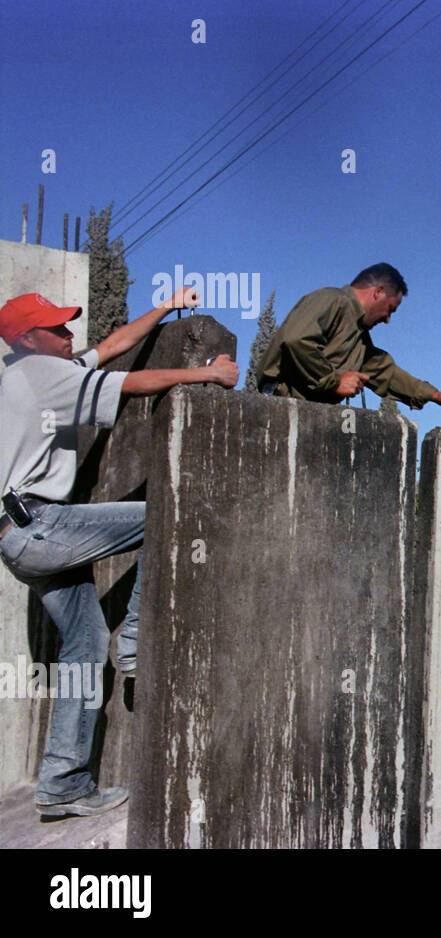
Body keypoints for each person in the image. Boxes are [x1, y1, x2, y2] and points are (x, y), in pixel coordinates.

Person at [0, 287, 239, 818]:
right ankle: (134, 637)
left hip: (21, 538)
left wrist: (166, 307)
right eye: (56, 329)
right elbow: (130, 382)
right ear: (25, 338)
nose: (68, 335)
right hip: (40, 525)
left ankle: (62, 784)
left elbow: (111, 349)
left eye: (66, 326)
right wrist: (208, 375)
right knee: (168, 515)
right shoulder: (41, 374)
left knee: (84, 648)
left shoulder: (29, 371)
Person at [256, 262, 441, 411]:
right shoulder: (333, 300)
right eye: (390, 309)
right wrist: (334, 382)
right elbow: (296, 339)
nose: (388, 319)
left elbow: (384, 372)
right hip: (278, 407)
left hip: (308, 413)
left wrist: (435, 395)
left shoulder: (358, 337)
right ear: (378, 292)